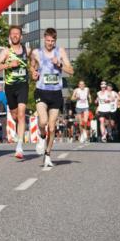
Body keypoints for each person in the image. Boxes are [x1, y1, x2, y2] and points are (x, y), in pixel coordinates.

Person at [29, 28, 73, 167]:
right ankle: (41, 137)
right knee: (43, 121)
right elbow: (32, 68)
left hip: (55, 93)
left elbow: (71, 71)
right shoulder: (37, 53)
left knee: (52, 128)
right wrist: (33, 74)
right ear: (44, 39)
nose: (50, 43)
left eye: (52, 41)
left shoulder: (60, 52)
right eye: (48, 40)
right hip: (41, 91)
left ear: (55, 40)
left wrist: (59, 64)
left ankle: (47, 155)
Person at [0, 25, 30, 159]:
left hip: (23, 85)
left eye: (17, 34)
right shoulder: (6, 52)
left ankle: (19, 147)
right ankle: (19, 127)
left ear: (21, 36)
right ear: (10, 36)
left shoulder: (27, 50)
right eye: (13, 34)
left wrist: (34, 70)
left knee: (21, 114)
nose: (15, 36)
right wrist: (9, 65)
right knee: (15, 116)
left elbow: (34, 62)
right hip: (10, 86)